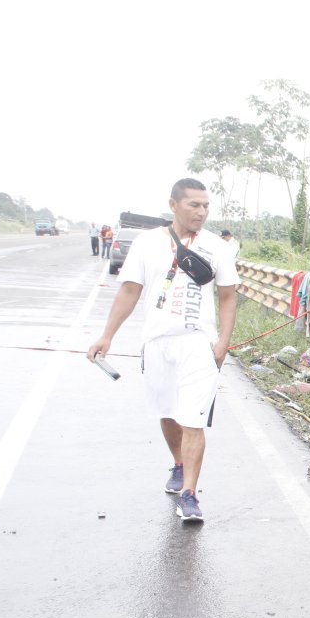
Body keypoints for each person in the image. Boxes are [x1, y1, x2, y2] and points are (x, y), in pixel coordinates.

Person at [87, 178, 239, 522]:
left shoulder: (218, 246)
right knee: (168, 412)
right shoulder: (147, 243)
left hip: (198, 343)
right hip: (157, 342)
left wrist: (223, 342)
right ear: (173, 205)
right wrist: (107, 335)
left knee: (193, 419)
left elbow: (228, 297)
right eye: (194, 205)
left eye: (206, 206)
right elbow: (129, 290)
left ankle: (189, 494)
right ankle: (179, 463)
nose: (201, 212)